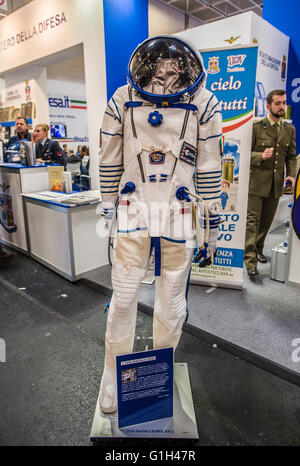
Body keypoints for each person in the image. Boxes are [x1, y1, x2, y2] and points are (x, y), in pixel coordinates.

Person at [98, 35, 222, 414]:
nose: (167, 72)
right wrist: (107, 208)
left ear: (187, 69)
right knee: (122, 297)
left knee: (171, 300)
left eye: (175, 67)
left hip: (178, 212)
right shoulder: (122, 98)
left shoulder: (203, 101)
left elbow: (210, 163)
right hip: (133, 208)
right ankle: (112, 374)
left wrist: (212, 223)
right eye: (160, 67)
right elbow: (109, 155)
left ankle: (158, 370)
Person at [244, 89, 297, 276]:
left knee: (266, 222)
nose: (282, 107)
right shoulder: (257, 127)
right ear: (268, 106)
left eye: (283, 103)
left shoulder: (289, 130)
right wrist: (260, 155)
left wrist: (291, 175)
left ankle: (258, 249)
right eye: (277, 103)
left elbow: (291, 157)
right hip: (257, 183)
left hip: (276, 184)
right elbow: (244, 154)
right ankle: (250, 261)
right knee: (252, 222)